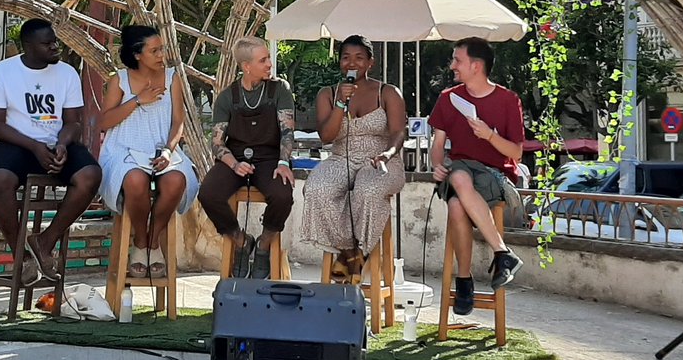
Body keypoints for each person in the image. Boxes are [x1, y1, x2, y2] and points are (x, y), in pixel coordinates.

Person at [0, 18, 103, 283]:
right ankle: (21, 256)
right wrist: (35, 146)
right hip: (16, 144)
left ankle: (44, 242)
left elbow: (73, 123)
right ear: (28, 46)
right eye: (47, 44)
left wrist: (61, 144)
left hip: (54, 143)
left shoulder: (67, 73)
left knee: (90, 175)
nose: (55, 47)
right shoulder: (1, 73)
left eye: (54, 42)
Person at [428, 36, 524, 314]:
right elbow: (438, 146)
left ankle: (466, 281)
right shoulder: (449, 99)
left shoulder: (508, 100)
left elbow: (516, 153)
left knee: (457, 203)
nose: (452, 66)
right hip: (459, 169)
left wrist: (489, 135)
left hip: (494, 176)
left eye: (458, 60)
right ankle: (500, 255)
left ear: (476, 66)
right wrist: (436, 165)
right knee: (457, 184)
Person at [300, 35, 406, 282]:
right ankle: (351, 253)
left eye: (359, 58)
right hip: (341, 158)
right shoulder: (327, 94)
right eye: (346, 58)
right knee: (317, 189)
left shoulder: (388, 92)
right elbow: (327, 136)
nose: (352, 63)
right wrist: (340, 103)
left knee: (367, 190)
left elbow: (399, 131)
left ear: (371, 62)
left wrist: (388, 154)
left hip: (381, 159)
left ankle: (358, 252)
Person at [98, 24, 198, 278]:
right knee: (134, 179)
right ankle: (141, 243)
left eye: (162, 49)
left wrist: (167, 151)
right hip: (124, 149)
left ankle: (154, 241)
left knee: (177, 180)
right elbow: (103, 122)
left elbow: (178, 121)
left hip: (161, 148)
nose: (161, 55)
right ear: (137, 54)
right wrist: (137, 100)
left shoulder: (173, 77)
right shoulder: (118, 80)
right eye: (154, 50)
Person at [198, 36, 296, 279]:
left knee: (283, 194)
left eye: (268, 59)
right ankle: (241, 242)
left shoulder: (279, 89)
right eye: (263, 60)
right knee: (208, 193)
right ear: (246, 66)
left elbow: (287, 131)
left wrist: (283, 162)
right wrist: (234, 164)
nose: (269, 64)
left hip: (271, 157)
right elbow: (218, 143)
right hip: (235, 157)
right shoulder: (227, 97)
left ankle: (264, 245)